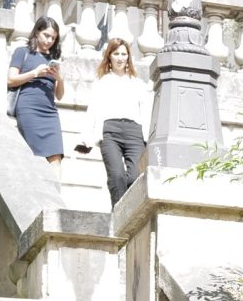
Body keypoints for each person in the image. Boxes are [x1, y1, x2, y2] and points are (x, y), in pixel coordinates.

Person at [77, 37, 146, 202]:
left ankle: (131, 212)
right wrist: (86, 137)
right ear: (109, 56)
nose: (120, 58)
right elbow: (93, 110)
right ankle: (119, 213)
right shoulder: (102, 82)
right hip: (110, 132)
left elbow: (146, 110)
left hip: (134, 132)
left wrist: (148, 138)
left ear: (128, 57)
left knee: (135, 177)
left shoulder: (138, 83)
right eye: (116, 54)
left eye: (123, 54)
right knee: (116, 176)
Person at [7, 15, 66, 165]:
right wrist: (35, 73)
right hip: (28, 108)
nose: (49, 41)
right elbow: (10, 80)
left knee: (56, 156)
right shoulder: (22, 52)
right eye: (46, 35)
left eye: (53, 38)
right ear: (37, 32)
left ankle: (54, 183)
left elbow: (59, 96)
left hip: (50, 112)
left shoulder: (54, 58)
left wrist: (60, 79)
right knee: (35, 158)